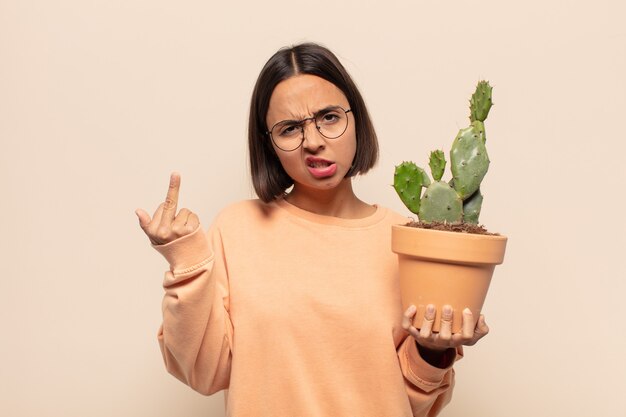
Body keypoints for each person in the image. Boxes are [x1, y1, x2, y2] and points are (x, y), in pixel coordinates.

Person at [135, 42, 490, 417]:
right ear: (269, 145)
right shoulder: (237, 229)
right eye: (289, 129)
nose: (315, 141)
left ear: (356, 119)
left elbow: (411, 403)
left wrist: (433, 351)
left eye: (330, 117)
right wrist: (186, 262)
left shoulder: (408, 239)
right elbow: (204, 372)